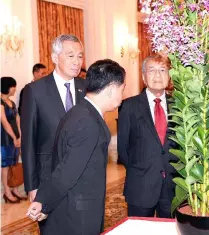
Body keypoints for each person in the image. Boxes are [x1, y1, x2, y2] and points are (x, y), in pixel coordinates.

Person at [26, 59, 126, 235]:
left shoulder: (80, 111)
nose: (122, 95)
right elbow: (67, 171)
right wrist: (43, 201)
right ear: (111, 89)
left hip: (74, 206)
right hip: (77, 214)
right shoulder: (88, 122)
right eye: (122, 89)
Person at [21, 34, 86, 206]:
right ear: (55, 57)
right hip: (48, 178)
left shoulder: (86, 89)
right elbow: (28, 143)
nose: (77, 61)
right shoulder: (35, 91)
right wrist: (32, 186)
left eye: (80, 56)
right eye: (70, 55)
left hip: (84, 178)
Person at [117, 54, 176, 218]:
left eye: (162, 70)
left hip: (173, 187)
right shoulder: (128, 106)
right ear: (144, 76)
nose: (158, 75)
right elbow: (123, 148)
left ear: (169, 76)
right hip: (140, 185)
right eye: (152, 70)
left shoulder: (179, 106)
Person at [1, 77, 27, 203]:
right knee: (6, 166)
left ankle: (15, 190)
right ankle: (7, 192)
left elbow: (17, 119)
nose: (15, 88)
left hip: (16, 137)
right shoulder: (0, 103)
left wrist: (20, 136)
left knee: (15, 164)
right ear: (7, 87)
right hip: (5, 139)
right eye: (13, 86)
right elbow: (5, 123)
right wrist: (13, 138)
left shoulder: (12, 102)